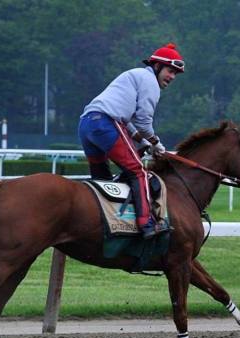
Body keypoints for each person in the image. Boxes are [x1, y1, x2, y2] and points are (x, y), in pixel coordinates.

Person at [78, 43, 184, 239]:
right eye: (170, 71)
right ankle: (147, 224)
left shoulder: (135, 75)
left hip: (86, 124)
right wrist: (157, 145)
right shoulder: (150, 82)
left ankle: (99, 221)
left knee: (101, 177)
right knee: (138, 172)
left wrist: (143, 143)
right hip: (105, 123)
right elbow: (143, 123)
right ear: (157, 66)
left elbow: (129, 122)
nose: (172, 77)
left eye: (175, 74)